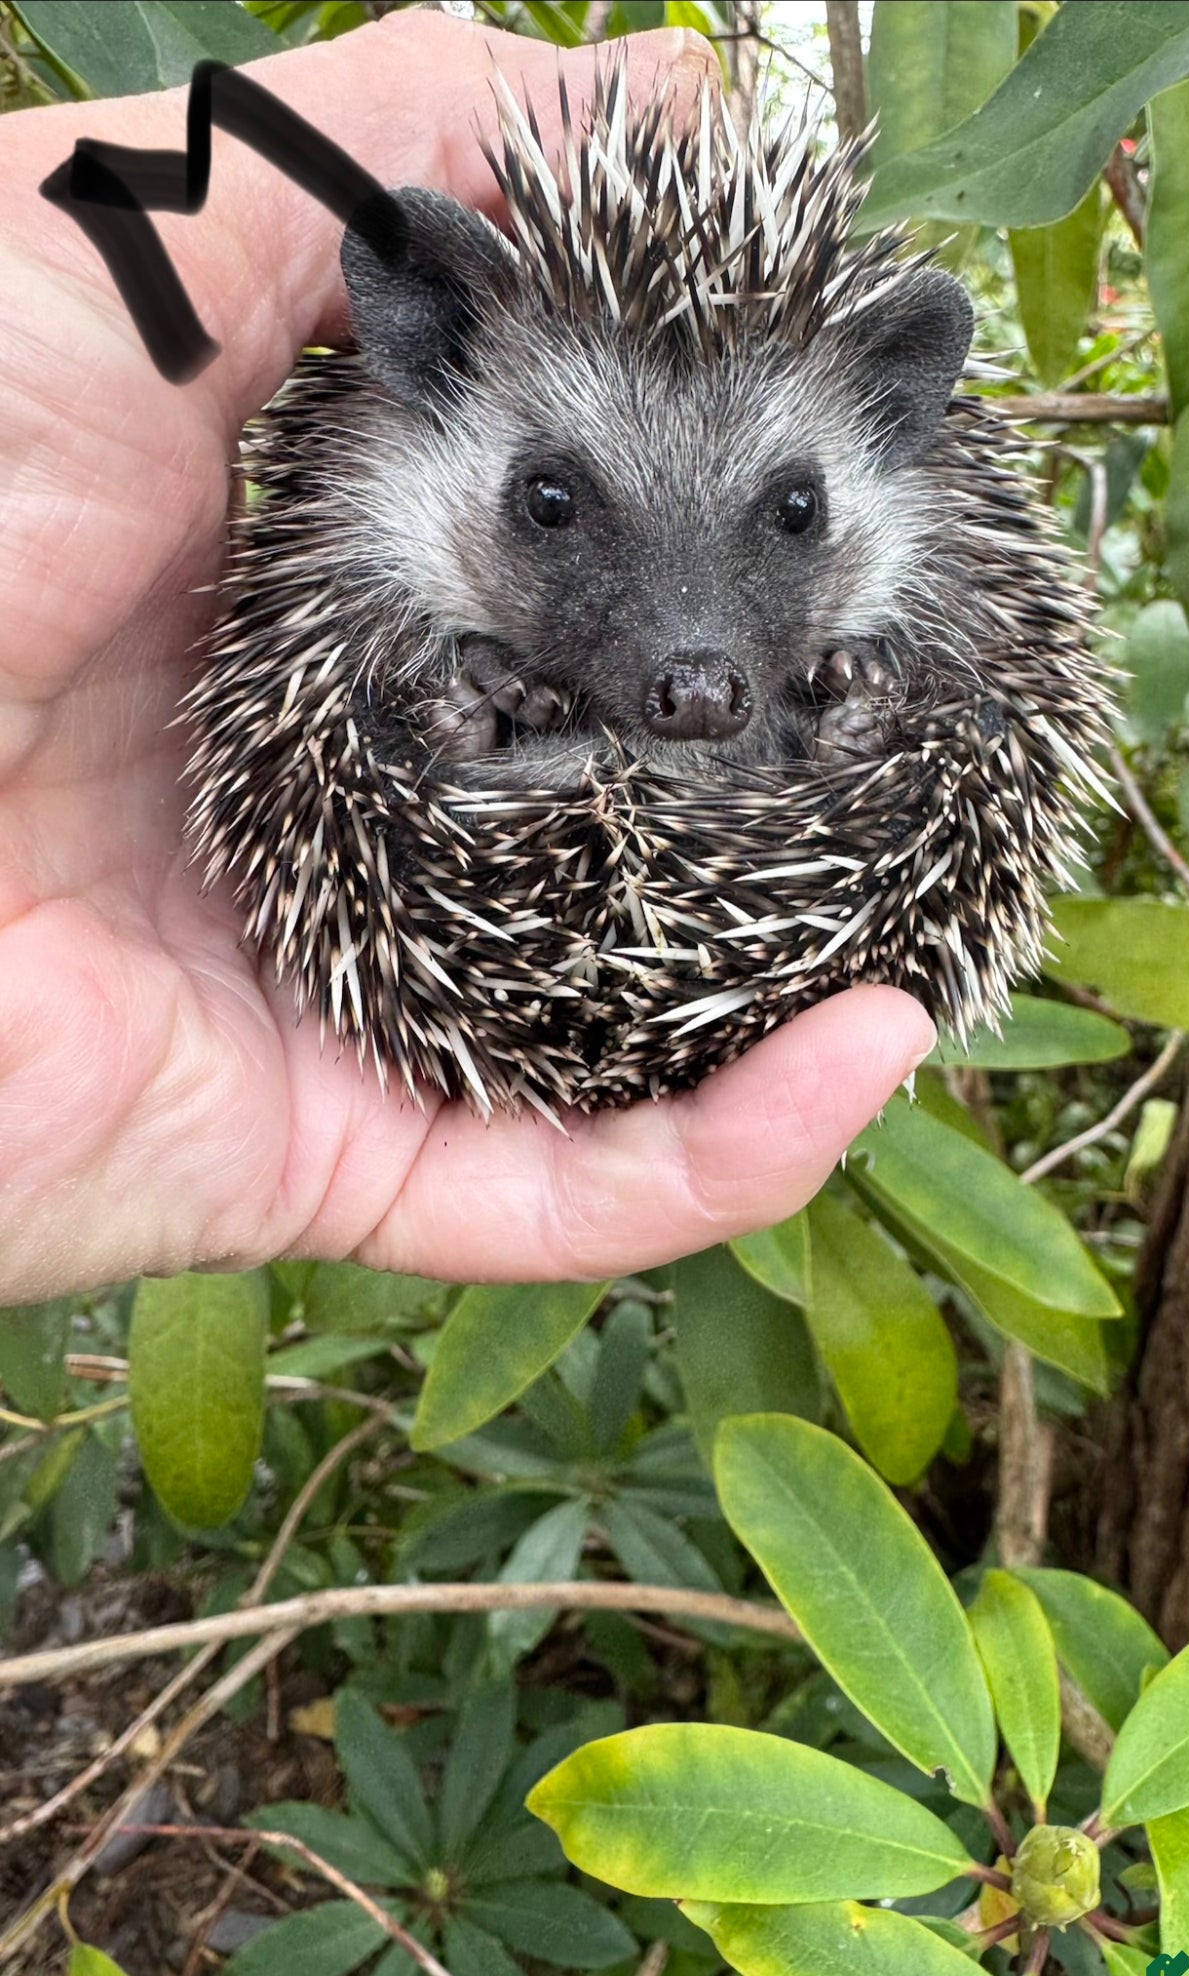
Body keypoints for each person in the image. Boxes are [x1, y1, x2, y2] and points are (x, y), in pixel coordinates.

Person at [0, 9, 935, 1306]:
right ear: (426, 357)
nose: (694, 661)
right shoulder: (356, 574)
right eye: (555, 506)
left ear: (893, 424)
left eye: (788, 519)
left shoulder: (910, 602)